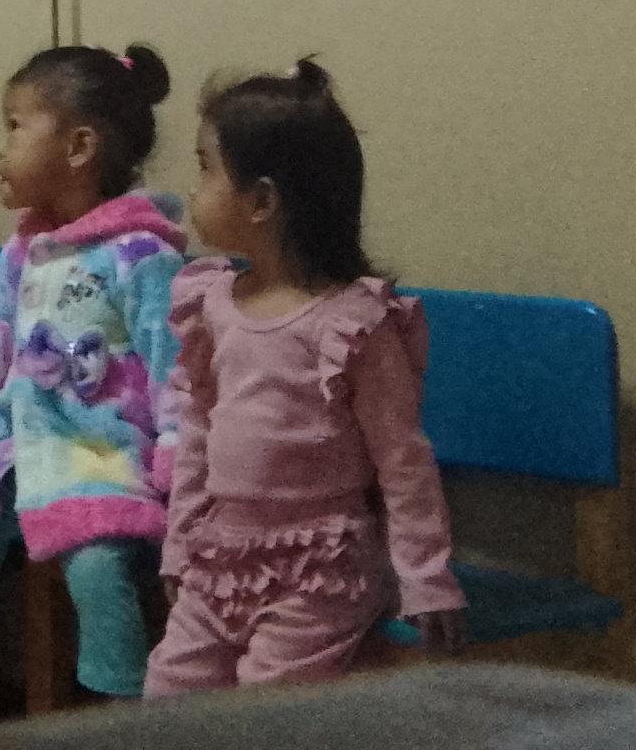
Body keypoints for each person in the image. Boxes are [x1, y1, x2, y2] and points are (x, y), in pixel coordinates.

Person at [146, 61, 462, 694]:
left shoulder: (352, 324)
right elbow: (198, 434)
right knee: (167, 694)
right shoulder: (211, 304)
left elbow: (402, 460)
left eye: (206, 168)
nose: (193, 188)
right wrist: (180, 544)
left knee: (271, 711)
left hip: (321, 569)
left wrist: (427, 578)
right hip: (220, 556)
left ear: (262, 201)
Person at [0, 43, 185, 728]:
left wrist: (177, 469)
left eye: (14, 126)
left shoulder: (143, 256)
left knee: (96, 568)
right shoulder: (22, 252)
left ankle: (120, 719)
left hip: (102, 460)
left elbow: (176, 371)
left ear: (79, 146)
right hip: (18, 451)